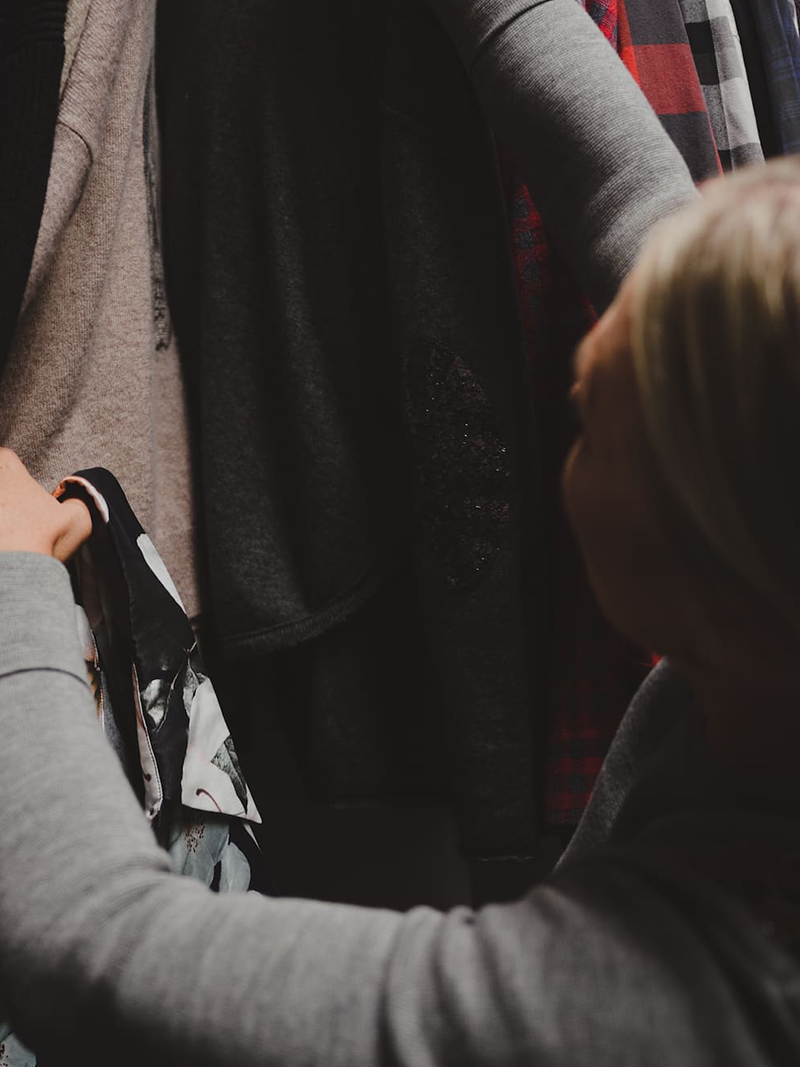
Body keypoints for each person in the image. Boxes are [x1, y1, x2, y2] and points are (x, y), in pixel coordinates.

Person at [1, 156, 799, 1065]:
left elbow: (97, 953)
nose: (576, 390)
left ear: (711, 587)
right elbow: (622, 185)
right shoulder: (767, 626)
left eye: (596, 424)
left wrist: (14, 584)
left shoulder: (660, 1006)